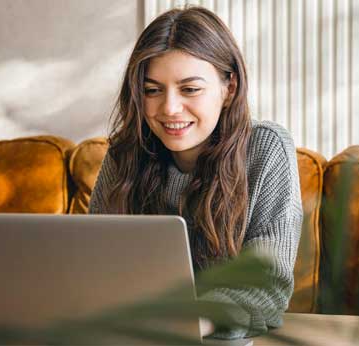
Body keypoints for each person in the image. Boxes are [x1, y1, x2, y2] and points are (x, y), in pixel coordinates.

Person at [88, 6, 303, 340]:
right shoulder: (124, 153)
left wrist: (195, 319)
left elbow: (267, 282)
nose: (169, 108)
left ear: (229, 88)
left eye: (189, 89)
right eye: (152, 90)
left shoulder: (266, 149)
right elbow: (91, 265)